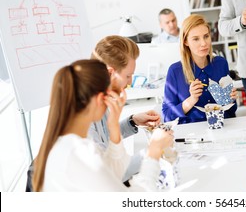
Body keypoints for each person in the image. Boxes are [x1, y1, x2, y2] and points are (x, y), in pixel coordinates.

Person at [32, 59, 173, 191]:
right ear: (101, 99)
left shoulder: (68, 142)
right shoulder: (81, 153)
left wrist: (114, 128)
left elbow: (113, 172)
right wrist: (154, 150)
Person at [90, 35, 168, 183]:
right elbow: (109, 172)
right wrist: (153, 151)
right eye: (128, 75)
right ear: (109, 73)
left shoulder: (99, 98)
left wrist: (132, 121)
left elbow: (105, 137)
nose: (130, 82)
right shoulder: (83, 112)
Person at [162, 14, 237, 124]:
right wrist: (191, 100)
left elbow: (231, 112)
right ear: (185, 42)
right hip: (191, 135)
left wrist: (231, 99)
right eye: (196, 39)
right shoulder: (175, 71)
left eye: (206, 36)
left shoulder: (221, 63)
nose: (203, 43)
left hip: (221, 129)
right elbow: (167, 117)